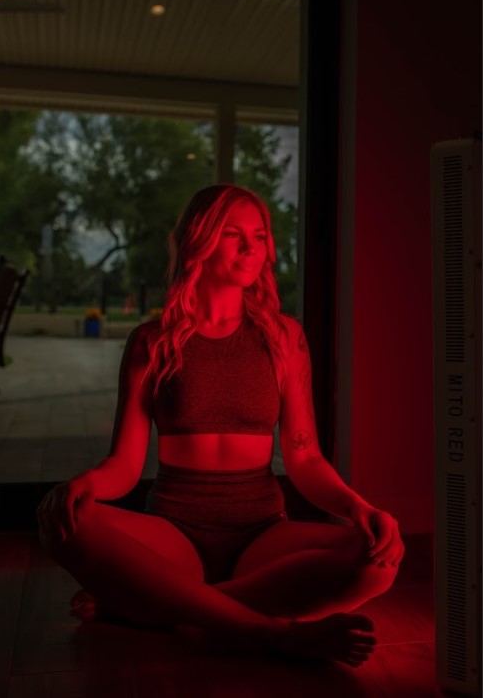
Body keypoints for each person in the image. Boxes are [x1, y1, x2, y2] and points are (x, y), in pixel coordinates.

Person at [37, 184, 405, 668]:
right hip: (175, 532)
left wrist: (360, 508)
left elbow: (305, 457)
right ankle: (268, 631)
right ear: (199, 239)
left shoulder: (284, 337)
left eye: (259, 235)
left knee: (378, 558)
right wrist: (83, 485)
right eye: (234, 234)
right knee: (61, 520)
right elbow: (125, 465)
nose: (252, 247)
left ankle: (160, 605)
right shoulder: (152, 342)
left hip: (261, 534)